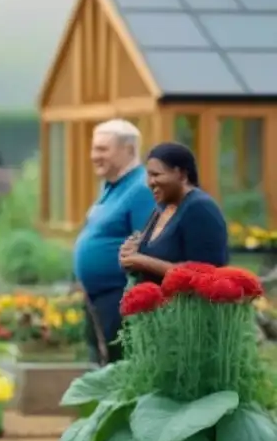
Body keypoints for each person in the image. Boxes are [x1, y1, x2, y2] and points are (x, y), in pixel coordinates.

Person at [73, 120, 157, 364]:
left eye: (103, 149)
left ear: (129, 150)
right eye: (94, 149)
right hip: (98, 298)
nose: (94, 156)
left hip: (121, 298)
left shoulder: (141, 189)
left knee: (119, 369)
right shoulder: (111, 187)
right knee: (101, 368)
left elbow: (148, 245)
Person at [121, 142, 228, 281]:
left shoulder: (200, 208)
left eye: (157, 175)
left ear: (182, 175)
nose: (151, 182)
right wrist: (130, 254)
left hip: (185, 302)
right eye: (149, 175)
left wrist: (142, 261)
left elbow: (205, 273)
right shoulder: (161, 208)